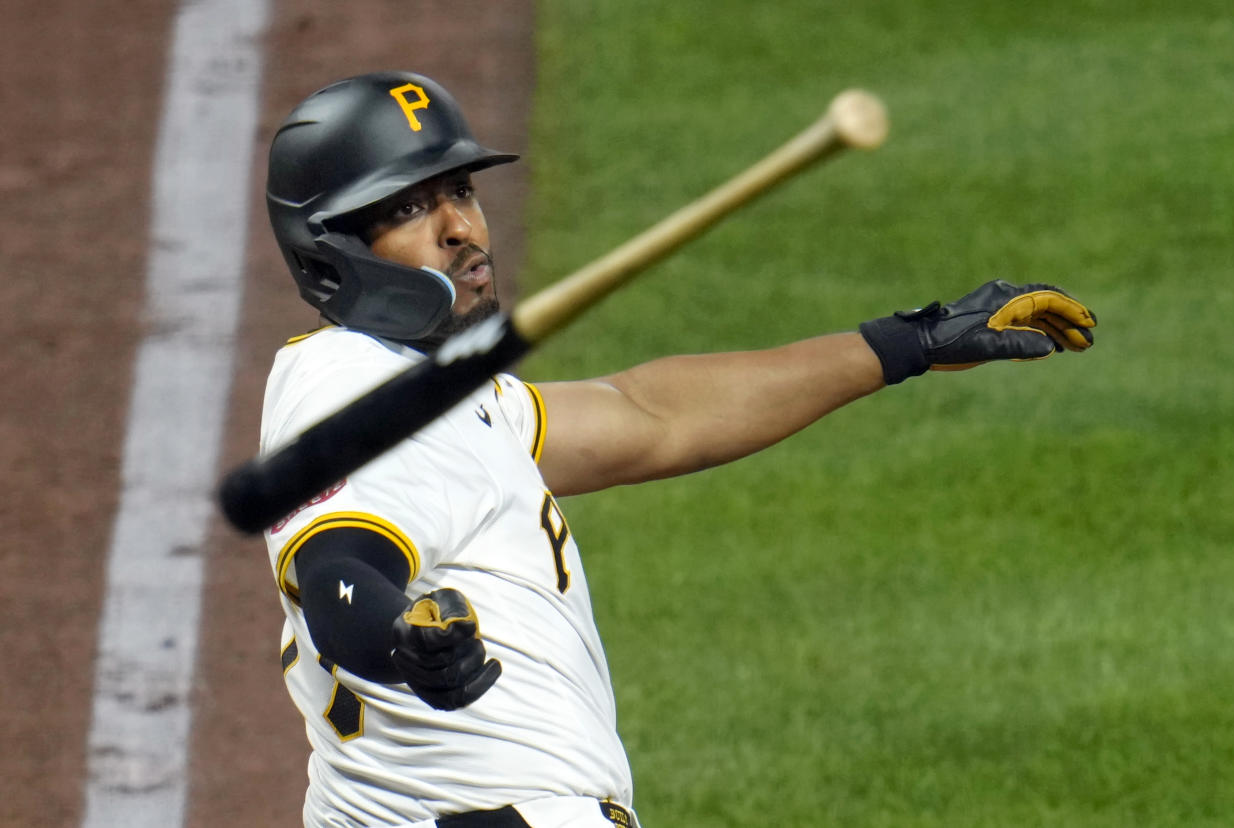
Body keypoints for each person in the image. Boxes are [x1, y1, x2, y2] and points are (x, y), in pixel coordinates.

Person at [258, 71, 1096, 828]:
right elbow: (338, 572)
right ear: (331, 250)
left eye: (461, 190)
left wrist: (908, 342)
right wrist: (401, 635)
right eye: (408, 208)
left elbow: (654, 413)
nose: (461, 229)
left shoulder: (442, 400)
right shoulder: (353, 389)